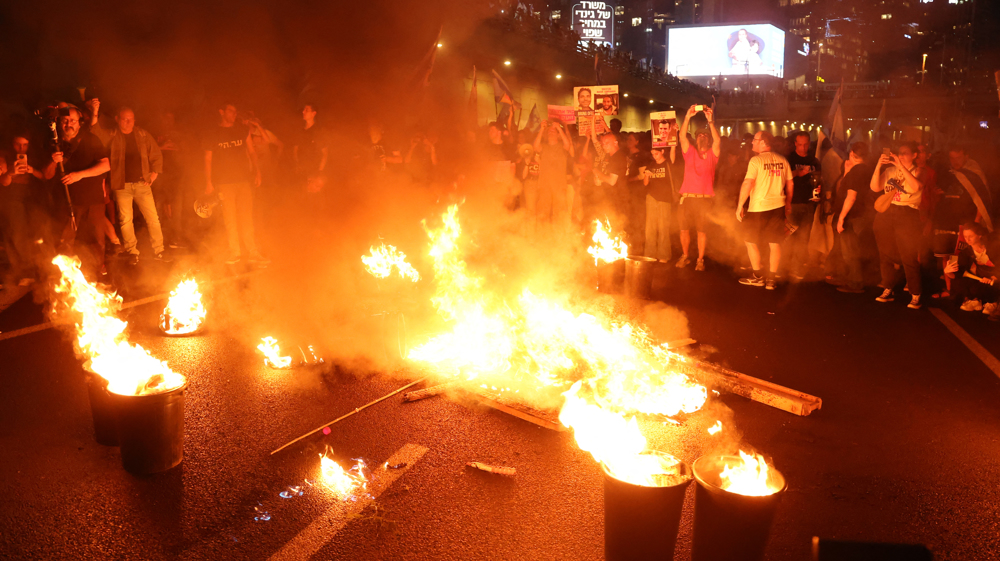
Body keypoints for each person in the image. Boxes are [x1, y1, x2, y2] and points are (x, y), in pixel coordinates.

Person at [92, 106, 167, 265]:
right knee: (126, 220)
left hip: (142, 184)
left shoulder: (142, 135)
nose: (128, 122)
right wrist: (95, 111)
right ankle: (132, 251)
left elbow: (156, 154)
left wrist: (154, 174)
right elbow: (95, 132)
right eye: (124, 119)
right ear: (118, 119)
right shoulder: (112, 135)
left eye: (131, 119)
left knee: (153, 218)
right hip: (122, 185)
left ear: (134, 120)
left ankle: (159, 250)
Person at [44, 106, 110, 279]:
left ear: (79, 124)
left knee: (97, 240)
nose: (69, 123)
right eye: (65, 120)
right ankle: (64, 278)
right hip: (67, 201)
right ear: (59, 123)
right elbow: (46, 175)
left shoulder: (91, 139)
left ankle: (96, 273)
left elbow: (106, 165)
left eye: (73, 120)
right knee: (65, 240)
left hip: (93, 199)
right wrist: (53, 161)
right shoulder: (54, 143)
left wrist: (79, 175)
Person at [204, 102, 269, 267]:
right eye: (230, 111)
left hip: (243, 181)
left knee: (247, 217)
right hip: (225, 183)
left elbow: (252, 152)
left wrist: (257, 172)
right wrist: (208, 182)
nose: (234, 114)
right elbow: (208, 159)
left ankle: (253, 253)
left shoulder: (241, 130)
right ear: (222, 112)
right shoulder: (213, 133)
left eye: (235, 111)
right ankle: (235, 253)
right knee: (230, 219)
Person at [736, 130, 793, 290]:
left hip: (758, 208)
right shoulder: (783, 160)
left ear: (763, 142)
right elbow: (790, 184)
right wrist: (788, 203)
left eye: (755, 140)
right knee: (774, 243)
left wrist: (740, 205)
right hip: (778, 207)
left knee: (749, 240)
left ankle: (758, 276)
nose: (752, 142)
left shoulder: (756, 161)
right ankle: (771, 280)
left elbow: (748, 183)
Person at [870, 141, 924, 309]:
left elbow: (916, 187)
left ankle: (915, 293)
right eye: (899, 153)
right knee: (885, 253)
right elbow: (874, 187)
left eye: (905, 153)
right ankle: (888, 288)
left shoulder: (919, 171)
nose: (900, 156)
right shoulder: (889, 171)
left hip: (907, 213)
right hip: (887, 212)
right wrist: (878, 165)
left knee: (908, 255)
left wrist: (901, 166)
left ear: (914, 155)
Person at [675, 105, 720, 271]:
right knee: (684, 229)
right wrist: (687, 117)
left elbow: (718, 141)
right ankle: (685, 256)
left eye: (705, 135)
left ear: (708, 139)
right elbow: (681, 137)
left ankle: (700, 260)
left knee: (702, 231)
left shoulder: (713, 155)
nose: (702, 136)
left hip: (704, 201)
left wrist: (711, 122)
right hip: (687, 198)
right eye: (699, 135)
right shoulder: (690, 152)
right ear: (696, 138)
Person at [0, 134, 48, 286]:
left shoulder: (34, 157)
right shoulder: (4, 157)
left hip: (32, 199)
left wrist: (32, 170)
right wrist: (11, 173)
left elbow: (44, 177)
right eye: (17, 144)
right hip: (12, 200)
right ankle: (23, 273)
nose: (21, 148)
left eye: (25, 145)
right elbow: (5, 183)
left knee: (36, 234)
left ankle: (40, 270)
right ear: (11, 144)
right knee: (16, 235)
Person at [832, 142, 875, 293]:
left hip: (853, 216)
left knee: (850, 251)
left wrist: (841, 218)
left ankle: (856, 282)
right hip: (864, 215)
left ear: (851, 154)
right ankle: (854, 278)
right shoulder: (868, 170)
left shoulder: (857, 172)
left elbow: (851, 197)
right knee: (856, 249)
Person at [945, 222, 999, 321]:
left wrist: (994, 277)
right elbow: (957, 274)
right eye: (965, 236)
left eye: (971, 236)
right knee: (965, 282)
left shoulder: (993, 247)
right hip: (983, 277)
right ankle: (976, 300)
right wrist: (948, 272)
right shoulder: (967, 252)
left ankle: (994, 302)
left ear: (979, 236)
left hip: (996, 277)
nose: (967, 239)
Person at [785, 131, 821, 278]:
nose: (803, 147)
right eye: (800, 144)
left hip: (809, 203)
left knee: (804, 237)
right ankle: (784, 266)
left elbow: (820, 179)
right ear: (795, 144)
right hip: (792, 204)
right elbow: (782, 177)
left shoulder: (814, 161)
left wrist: (819, 191)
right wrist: (795, 173)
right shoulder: (789, 159)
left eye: (806, 144)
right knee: (789, 236)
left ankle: (797, 267)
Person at [532, 120, 573, 233]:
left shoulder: (562, 147)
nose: (551, 132)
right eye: (549, 131)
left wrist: (559, 128)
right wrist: (541, 129)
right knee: (542, 213)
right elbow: (535, 146)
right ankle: (541, 236)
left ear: (558, 135)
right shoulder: (543, 147)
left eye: (553, 131)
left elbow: (567, 145)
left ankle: (558, 237)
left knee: (559, 213)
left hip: (559, 185)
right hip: (544, 185)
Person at [643, 145, 677, 262]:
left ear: (662, 151)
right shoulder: (651, 165)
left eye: (656, 154)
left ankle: (663, 255)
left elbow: (673, 155)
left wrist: (673, 145)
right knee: (650, 228)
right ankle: (650, 254)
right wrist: (647, 176)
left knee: (663, 228)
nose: (654, 156)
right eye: (652, 154)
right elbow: (646, 184)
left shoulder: (668, 164)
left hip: (665, 199)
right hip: (651, 198)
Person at [592, 131, 629, 236]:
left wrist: (597, 173)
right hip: (612, 198)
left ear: (615, 143)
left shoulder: (618, 157)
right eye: (603, 143)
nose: (604, 145)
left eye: (607, 142)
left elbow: (612, 181)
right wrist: (600, 180)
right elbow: (608, 178)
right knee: (611, 228)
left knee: (617, 229)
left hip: (618, 200)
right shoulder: (611, 157)